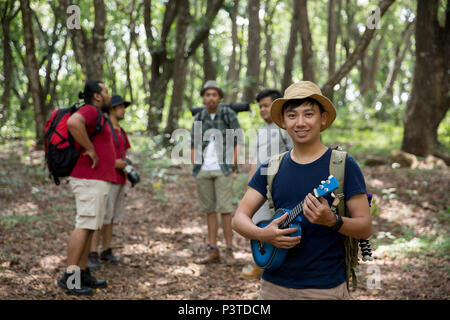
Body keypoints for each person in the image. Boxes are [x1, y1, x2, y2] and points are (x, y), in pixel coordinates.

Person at [232, 81, 372, 299]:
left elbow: (364, 227)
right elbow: (239, 218)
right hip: (272, 287)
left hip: (323, 288)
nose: (300, 123)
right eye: (292, 115)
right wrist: (263, 234)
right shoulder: (271, 167)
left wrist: (332, 220)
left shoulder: (343, 166)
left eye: (308, 114)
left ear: (323, 118)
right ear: (283, 122)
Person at [57, 80, 115, 296]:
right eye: (106, 92)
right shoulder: (90, 109)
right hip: (88, 178)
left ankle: (83, 273)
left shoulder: (98, 114)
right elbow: (73, 123)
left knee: (91, 226)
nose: (109, 95)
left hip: (97, 180)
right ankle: (70, 278)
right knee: (84, 224)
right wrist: (90, 149)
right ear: (97, 96)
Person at [240, 89, 293, 280]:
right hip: (259, 188)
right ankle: (260, 263)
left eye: (266, 105)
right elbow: (255, 160)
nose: (262, 109)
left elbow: (293, 156)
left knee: (279, 224)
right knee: (257, 224)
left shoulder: (285, 129)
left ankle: (278, 264)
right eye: (260, 106)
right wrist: (249, 187)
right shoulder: (260, 131)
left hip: (278, 187)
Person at [191, 80, 243, 265]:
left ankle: (229, 250)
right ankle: (213, 250)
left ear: (219, 97)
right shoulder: (199, 117)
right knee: (209, 211)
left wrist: (233, 164)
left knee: (225, 210)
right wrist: (195, 166)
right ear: (203, 98)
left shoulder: (228, 114)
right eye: (207, 95)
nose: (211, 98)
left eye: (214, 94)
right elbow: (193, 144)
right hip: (203, 169)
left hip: (223, 168)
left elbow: (238, 140)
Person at [87, 95, 131, 269]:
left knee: (111, 217)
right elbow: (98, 153)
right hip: (106, 178)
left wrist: (127, 166)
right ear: (112, 109)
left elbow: (124, 154)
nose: (123, 110)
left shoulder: (121, 131)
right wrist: (114, 163)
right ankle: (92, 252)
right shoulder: (103, 128)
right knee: (101, 215)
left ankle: (106, 250)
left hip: (120, 178)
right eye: (120, 107)